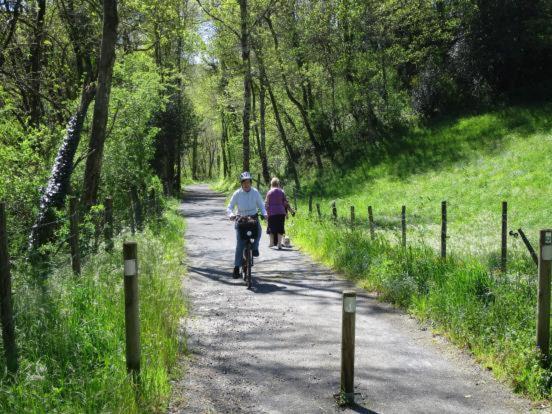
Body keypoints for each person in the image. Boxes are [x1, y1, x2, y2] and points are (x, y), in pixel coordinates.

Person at [227, 172, 268, 278]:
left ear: (251, 182)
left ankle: (255, 247)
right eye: (244, 183)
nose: (246, 185)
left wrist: (265, 214)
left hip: (253, 218)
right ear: (241, 183)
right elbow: (230, 207)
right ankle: (237, 267)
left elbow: (261, 205)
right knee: (240, 243)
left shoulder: (255, 192)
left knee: (259, 232)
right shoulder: (237, 193)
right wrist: (231, 214)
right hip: (241, 219)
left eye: (248, 182)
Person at [264, 177, 293, 249]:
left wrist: (265, 213)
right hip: (281, 212)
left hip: (272, 213)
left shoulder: (269, 192)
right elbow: (286, 203)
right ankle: (279, 244)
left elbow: (266, 203)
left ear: (271, 184)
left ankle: (271, 243)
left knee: (271, 227)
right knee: (280, 227)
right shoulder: (282, 192)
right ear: (278, 184)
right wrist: (291, 211)